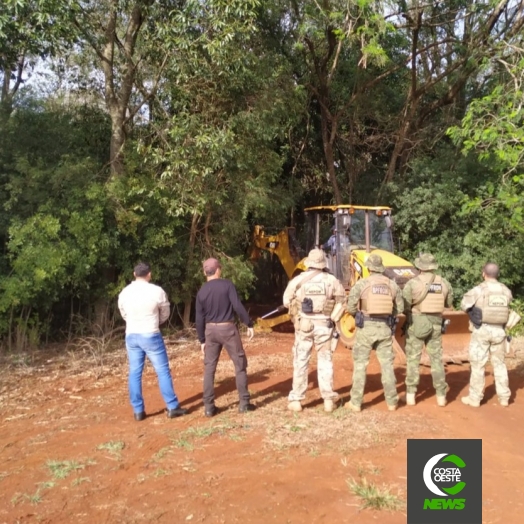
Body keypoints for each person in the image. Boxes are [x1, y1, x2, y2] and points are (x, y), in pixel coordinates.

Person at [118, 262, 187, 421]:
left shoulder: (125, 292)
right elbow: (165, 312)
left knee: (135, 372)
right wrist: (156, 322)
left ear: (134, 274)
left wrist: (134, 322)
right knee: (162, 371)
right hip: (150, 334)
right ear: (149, 274)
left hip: (132, 334)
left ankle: (138, 411)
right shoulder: (157, 291)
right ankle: (172, 406)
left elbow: (123, 313)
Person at [283, 248, 346, 413]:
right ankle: (328, 400)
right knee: (325, 361)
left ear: (309, 263)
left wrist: (296, 313)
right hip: (324, 325)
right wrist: (333, 317)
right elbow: (342, 301)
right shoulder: (331, 280)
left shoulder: (298, 280)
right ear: (323, 263)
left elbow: (286, 301)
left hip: (303, 325)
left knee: (301, 360)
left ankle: (296, 400)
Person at [195, 258, 255, 417]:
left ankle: (208, 407)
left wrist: (201, 340)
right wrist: (249, 323)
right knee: (239, 364)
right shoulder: (227, 285)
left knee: (209, 368)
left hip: (210, 331)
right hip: (227, 329)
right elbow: (237, 306)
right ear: (218, 270)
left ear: (204, 272)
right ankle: (244, 403)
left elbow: (199, 318)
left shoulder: (201, 291)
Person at [346, 254, 404, 412]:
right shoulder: (392, 285)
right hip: (385, 328)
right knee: (387, 365)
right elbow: (400, 308)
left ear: (369, 268)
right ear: (381, 268)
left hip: (365, 328)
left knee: (360, 365)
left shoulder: (362, 284)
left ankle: (356, 403)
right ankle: (392, 402)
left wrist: (357, 314)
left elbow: (350, 306)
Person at [402, 253, 453, 407]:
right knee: (437, 360)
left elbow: (405, 306)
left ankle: (410, 395)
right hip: (437, 324)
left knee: (413, 359)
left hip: (417, 324)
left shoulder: (412, 283)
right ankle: (441, 396)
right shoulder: (444, 283)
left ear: (420, 267)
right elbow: (449, 303)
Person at [460, 263, 512, 408]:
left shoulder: (478, 290)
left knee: (478, 365)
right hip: (500, 331)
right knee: (500, 364)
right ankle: (504, 398)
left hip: (482, 330)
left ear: (484, 273)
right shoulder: (506, 290)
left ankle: (475, 398)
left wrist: (472, 312)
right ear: (497, 274)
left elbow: (464, 305)